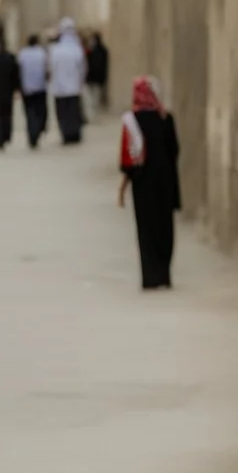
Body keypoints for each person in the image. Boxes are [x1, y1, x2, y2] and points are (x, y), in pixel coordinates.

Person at [118, 76, 181, 289]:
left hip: (142, 184)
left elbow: (128, 159)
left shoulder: (131, 120)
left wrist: (123, 186)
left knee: (145, 229)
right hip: (165, 182)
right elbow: (174, 150)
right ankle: (164, 275)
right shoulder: (166, 118)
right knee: (165, 227)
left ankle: (150, 276)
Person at [48, 18, 87, 144]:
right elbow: (82, 68)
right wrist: (80, 82)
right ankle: (74, 135)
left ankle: (66, 135)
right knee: (73, 113)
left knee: (63, 114)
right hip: (74, 88)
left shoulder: (55, 49)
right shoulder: (77, 49)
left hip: (60, 89)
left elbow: (51, 68)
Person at [17, 34, 49, 148]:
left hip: (27, 89)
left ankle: (32, 135)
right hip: (40, 88)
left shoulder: (23, 54)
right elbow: (47, 69)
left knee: (29, 114)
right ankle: (37, 132)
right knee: (40, 112)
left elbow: (19, 70)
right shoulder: (42, 53)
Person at [86, 31, 110, 113]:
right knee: (90, 98)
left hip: (97, 78)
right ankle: (91, 113)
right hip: (91, 78)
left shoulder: (102, 51)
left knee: (95, 98)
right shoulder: (90, 51)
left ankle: (94, 113)